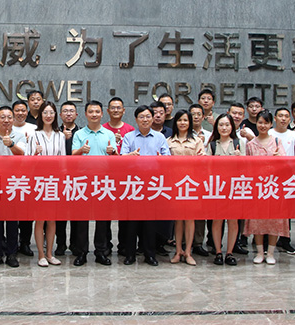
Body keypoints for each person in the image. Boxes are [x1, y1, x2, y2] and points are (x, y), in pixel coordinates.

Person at [120, 105, 170, 266]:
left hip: (152, 185)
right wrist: (130, 156)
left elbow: (168, 158)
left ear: (152, 118)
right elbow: (121, 158)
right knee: (131, 223)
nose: (145, 119)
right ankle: (130, 254)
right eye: (141, 117)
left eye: (148, 116)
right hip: (133, 185)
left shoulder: (159, 137)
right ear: (136, 119)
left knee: (150, 223)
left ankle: (150, 254)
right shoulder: (129, 137)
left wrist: (161, 160)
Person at [72, 100, 117, 266]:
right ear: (85, 114)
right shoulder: (79, 134)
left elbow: (116, 158)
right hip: (83, 181)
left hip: (103, 181)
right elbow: (72, 156)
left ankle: (101, 252)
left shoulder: (109, 134)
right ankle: (81, 252)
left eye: (97, 111)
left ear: (102, 114)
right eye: (91, 111)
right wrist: (81, 150)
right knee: (82, 220)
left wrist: (113, 152)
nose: (94, 114)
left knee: (103, 219)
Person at [0, 106, 26, 268]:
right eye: (2, 117)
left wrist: (11, 144)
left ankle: (12, 254)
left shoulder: (20, 136)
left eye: (9, 117)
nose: (6, 120)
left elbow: (21, 154)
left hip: (14, 185)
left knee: (12, 222)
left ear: (13, 120)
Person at [244, 110, 287, 265]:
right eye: (260, 122)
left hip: (273, 187)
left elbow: (285, 163)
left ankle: (271, 253)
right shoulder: (250, 144)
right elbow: (247, 167)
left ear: (271, 124)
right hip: (257, 188)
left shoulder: (276, 141)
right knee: (257, 221)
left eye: (266, 123)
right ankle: (260, 252)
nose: (262, 125)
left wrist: (279, 159)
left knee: (274, 221)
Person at [205, 113, 246, 266]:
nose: (224, 128)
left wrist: (240, 158)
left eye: (227, 125)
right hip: (217, 188)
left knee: (233, 221)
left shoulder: (239, 143)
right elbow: (207, 168)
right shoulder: (212, 145)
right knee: (217, 220)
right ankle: (218, 251)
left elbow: (247, 167)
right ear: (216, 127)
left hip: (235, 187)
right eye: (221, 125)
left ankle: (229, 252)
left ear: (232, 127)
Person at [27, 101, 65, 267]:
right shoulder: (34, 135)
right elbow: (27, 161)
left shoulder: (60, 135)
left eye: (51, 112)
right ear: (40, 115)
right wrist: (35, 154)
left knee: (52, 219)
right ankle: (41, 255)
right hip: (38, 182)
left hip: (55, 182)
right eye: (45, 113)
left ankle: (50, 254)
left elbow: (63, 161)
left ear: (55, 115)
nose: (48, 116)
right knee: (40, 219)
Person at [166, 109, 204, 266]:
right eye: (180, 120)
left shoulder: (197, 141)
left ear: (190, 123)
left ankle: (188, 252)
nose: (182, 123)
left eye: (185, 120)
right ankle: (178, 251)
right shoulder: (169, 141)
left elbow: (202, 163)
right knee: (178, 219)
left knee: (190, 219)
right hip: (174, 185)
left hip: (192, 185)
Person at [271, 107, 295, 255]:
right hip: (272, 177)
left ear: (289, 119)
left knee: (286, 211)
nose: (283, 119)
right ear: (275, 118)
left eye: (286, 116)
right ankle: (268, 240)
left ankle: (285, 241)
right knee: (271, 210)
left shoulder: (293, 134)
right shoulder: (270, 133)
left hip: (289, 177)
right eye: (280, 116)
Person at [12, 99, 37, 256]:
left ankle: (25, 242)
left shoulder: (34, 129)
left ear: (27, 112)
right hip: (10, 176)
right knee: (12, 212)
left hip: (29, 175)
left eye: (23, 110)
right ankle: (12, 242)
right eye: (17, 110)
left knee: (27, 213)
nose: (20, 113)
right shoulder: (7, 127)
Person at [56, 101, 80, 256]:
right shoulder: (55, 132)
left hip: (78, 179)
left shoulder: (82, 133)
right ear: (60, 115)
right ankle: (61, 244)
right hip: (59, 179)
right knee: (60, 215)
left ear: (76, 114)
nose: (68, 114)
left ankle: (75, 244)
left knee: (76, 215)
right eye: (65, 111)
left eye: (71, 111)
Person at [188, 103, 211, 257]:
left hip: (203, 178)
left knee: (200, 213)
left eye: (198, 114)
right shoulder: (184, 133)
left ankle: (198, 243)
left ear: (203, 117)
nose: (195, 117)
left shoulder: (210, 134)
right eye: (193, 114)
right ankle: (183, 242)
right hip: (185, 179)